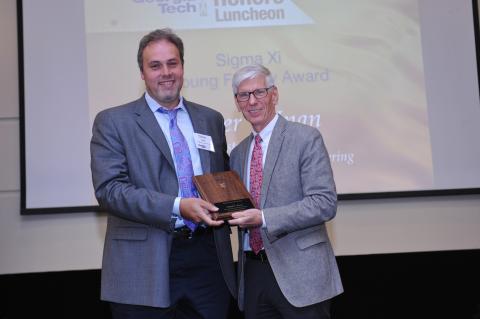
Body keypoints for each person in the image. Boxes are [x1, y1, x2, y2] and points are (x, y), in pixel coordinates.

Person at [90, 28, 236, 319]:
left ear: (183, 66)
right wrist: (177, 206)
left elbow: (220, 180)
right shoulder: (113, 122)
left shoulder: (210, 119)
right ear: (142, 73)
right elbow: (110, 191)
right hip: (144, 264)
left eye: (173, 63)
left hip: (208, 260)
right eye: (155, 65)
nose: (165, 72)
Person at [228, 64, 343, 319]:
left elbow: (324, 203)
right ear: (237, 103)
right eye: (244, 95)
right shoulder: (237, 155)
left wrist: (264, 218)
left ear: (274, 95)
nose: (252, 101)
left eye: (259, 92)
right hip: (254, 273)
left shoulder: (305, 138)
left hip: (301, 275)